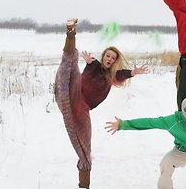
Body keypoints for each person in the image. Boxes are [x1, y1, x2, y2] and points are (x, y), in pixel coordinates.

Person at [54, 18, 148, 189]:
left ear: (114, 61)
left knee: (85, 147)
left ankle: (84, 185)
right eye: (108, 55)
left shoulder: (113, 75)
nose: (109, 59)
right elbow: (90, 62)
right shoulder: (94, 64)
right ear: (103, 56)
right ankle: (70, 31)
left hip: (83, 108)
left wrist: (133, 72)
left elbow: (123, 74)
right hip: (73, 92)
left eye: (113, 58)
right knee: (69, 61)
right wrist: (89, 60)